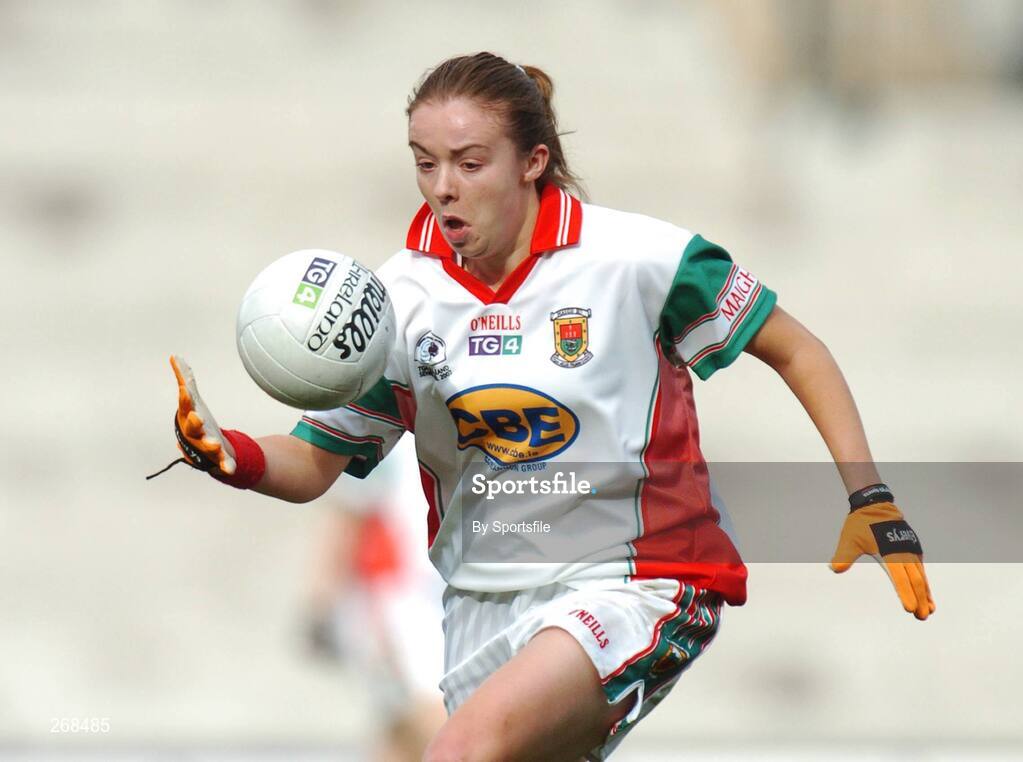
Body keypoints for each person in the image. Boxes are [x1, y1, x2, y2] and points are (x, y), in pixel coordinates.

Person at [164, 52, 935, 761]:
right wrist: (233, 456)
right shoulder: (396, 298)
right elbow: (315, 464)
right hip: (481, 609)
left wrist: (868, 495)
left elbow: (798, 349)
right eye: (425, 164)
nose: (442, 187)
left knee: (454, 752)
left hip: (640, 582)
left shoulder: (639, 260)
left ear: (532, 162)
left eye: (469, 163)